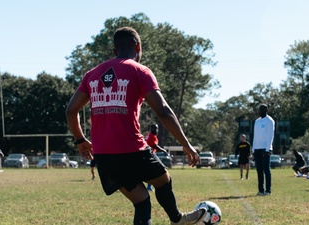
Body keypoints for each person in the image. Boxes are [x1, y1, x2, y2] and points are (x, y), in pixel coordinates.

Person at [65, 26, 206, 225]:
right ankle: (177, 219)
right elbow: (163, 111)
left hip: (104, 155)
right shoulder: (140, 71)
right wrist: (186, 144)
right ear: (138, 47)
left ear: (115, 50)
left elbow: (70, 111)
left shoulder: (92, 74)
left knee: (141, 201)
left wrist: (80, 140)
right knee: (163, 180)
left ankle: (178, 219)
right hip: (131, 150)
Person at [252, 104, 275, 196]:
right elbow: (255, 136)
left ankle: (268, 190)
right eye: (259, 110)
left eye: (262, 110)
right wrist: (253, 148)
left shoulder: (269, 121)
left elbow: (270, 135)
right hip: (257, 148)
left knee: (266, 170)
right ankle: (261, 190)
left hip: (265, 148)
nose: (260, 111)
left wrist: (268, 149)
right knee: (259, 170)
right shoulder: (257, 121)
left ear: (266, 110)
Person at [145, 124, 168, 191]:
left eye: (157, 128)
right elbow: (154, 145)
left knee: (151, 171)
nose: (156, 130)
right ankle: (150, 186)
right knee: (156, 170)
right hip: (150, 155)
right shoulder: (152, 136)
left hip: (145, 154)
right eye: (155, 128)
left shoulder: (148, 135)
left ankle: (149, 186)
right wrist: (163, 150)